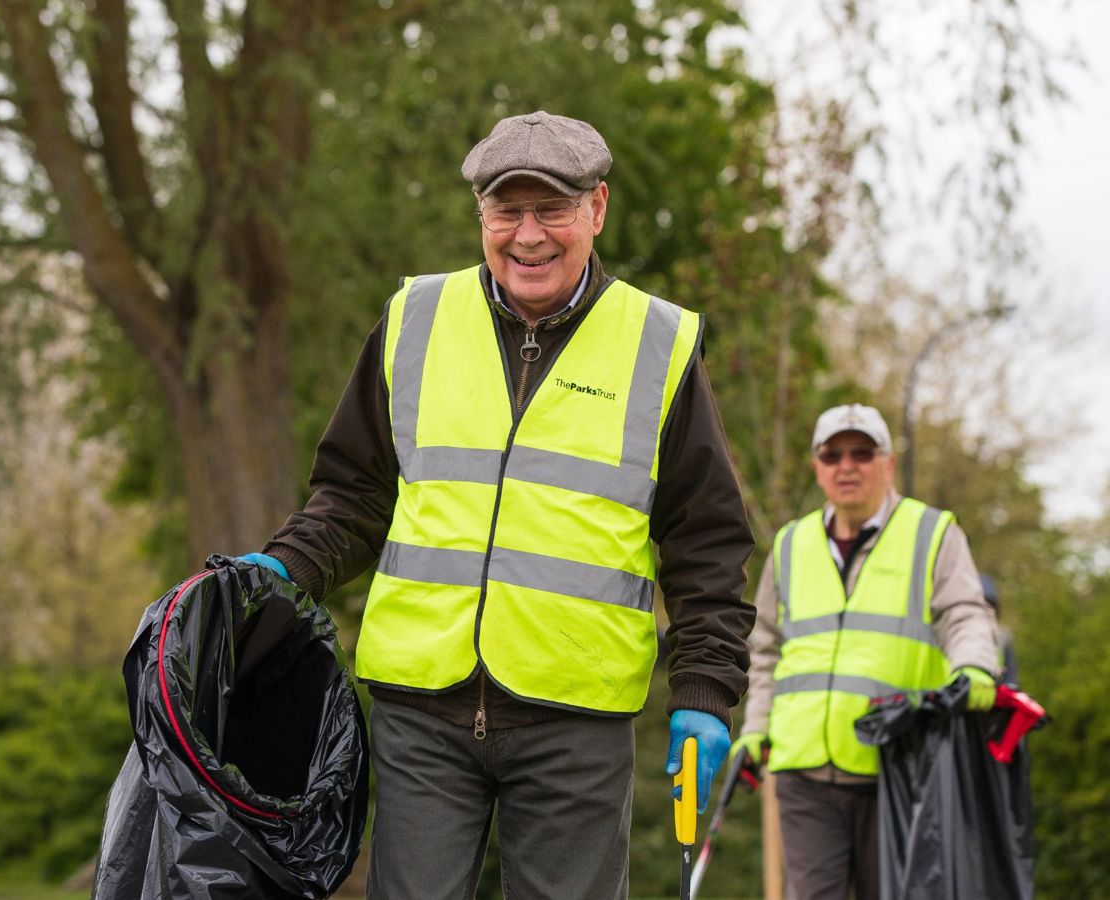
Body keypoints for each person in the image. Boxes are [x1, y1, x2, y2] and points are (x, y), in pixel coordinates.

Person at [233, 110, 756, 900]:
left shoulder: (658, 344)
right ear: (480, 215)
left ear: (597, 209)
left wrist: (707, 691)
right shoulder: (415, 320)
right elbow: (352, 494)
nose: (529, 235)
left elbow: (706, 540)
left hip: (576, 719)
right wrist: (279, 570)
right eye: (507, 210)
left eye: (552, 209)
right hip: (423, 714)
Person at [730, 403, 1001, 900]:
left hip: (896, 764)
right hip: (802, 770)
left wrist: (975, 667)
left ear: (888, 463)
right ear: (817, 465)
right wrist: (755, 729)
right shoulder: (790, 545)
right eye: (832, 455)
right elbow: (765, 648)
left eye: (861, 452)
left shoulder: (933, 534)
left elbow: (965, 613)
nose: (846, 466)